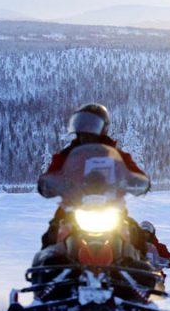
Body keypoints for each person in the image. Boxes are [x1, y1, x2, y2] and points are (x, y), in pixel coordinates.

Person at [39, 103, 150, 249]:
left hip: (111, 208)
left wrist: (137, 182)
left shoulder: (117, 155)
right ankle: (47, 268)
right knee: (51, 238)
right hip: (73, 209)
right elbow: (52, 173)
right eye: (82, 123)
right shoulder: (66, 155)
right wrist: (49, 184)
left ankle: (140, 268)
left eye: (91, 123)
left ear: (102, 127)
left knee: (136, 237)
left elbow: (134, 173)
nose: (86, 128)